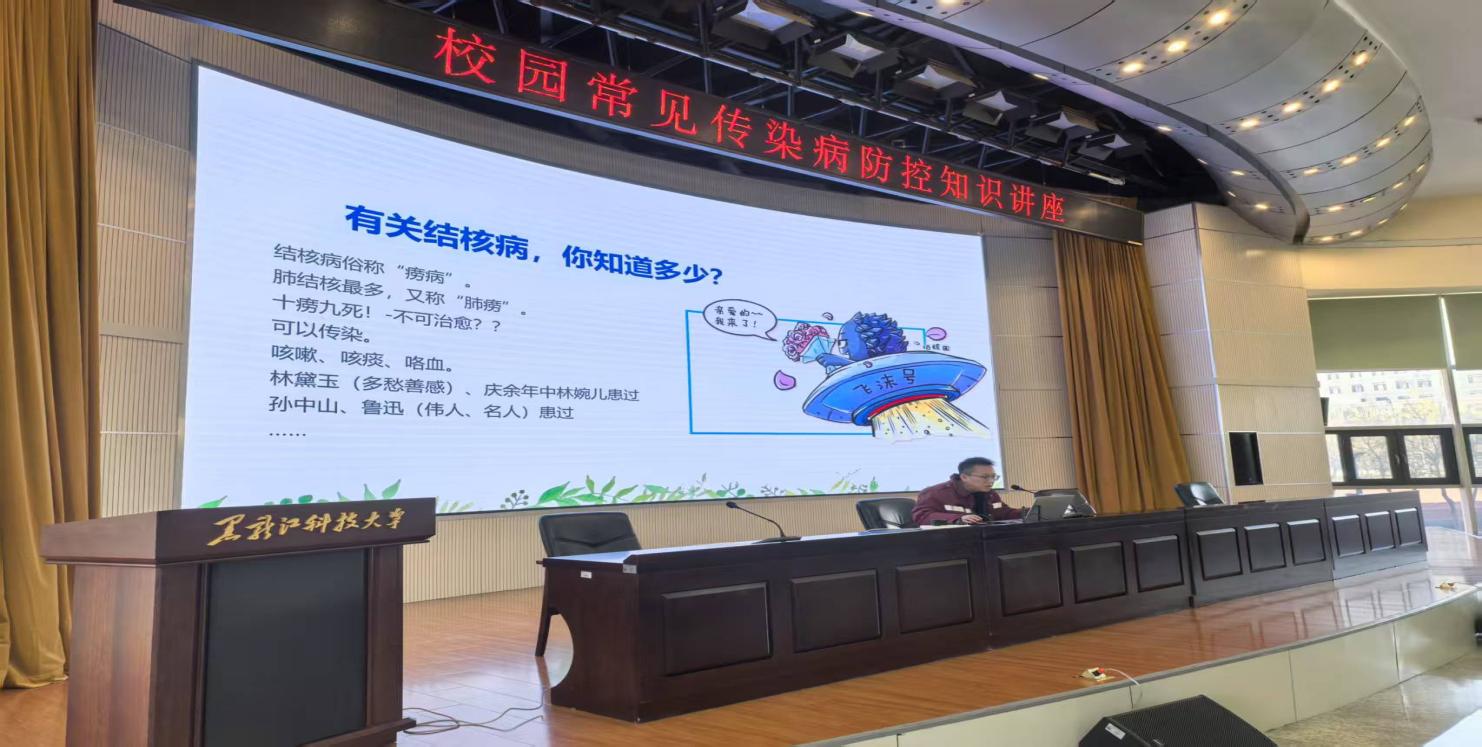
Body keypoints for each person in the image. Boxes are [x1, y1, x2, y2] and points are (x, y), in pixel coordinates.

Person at [911, 457, 1023, 525]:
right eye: (984, 477)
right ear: (964, 477)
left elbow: (1003, 513)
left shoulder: (990, 494)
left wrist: (1027, 512)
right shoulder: (936, 493)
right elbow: (922, 516)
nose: (991, 481)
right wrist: (958, 519)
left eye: (993, 477)